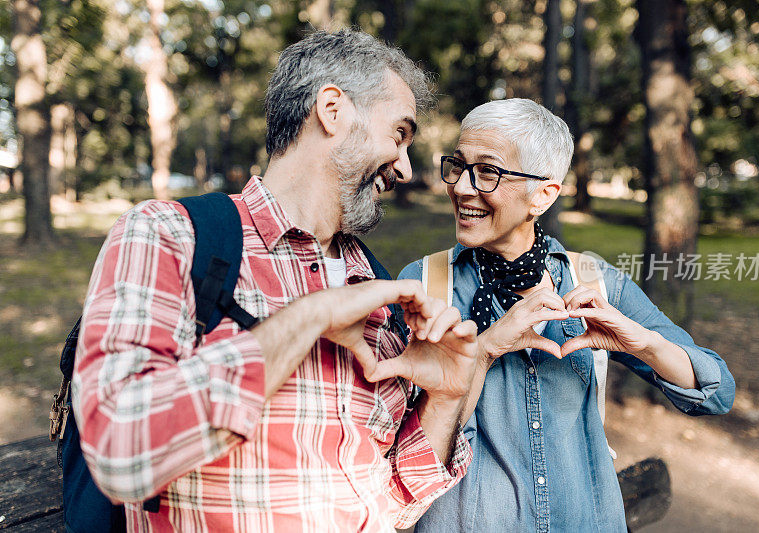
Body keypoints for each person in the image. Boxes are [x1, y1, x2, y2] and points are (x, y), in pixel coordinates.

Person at [73, 29, 480, 532]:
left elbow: (392, 506)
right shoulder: (170, 236)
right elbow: (120, 451)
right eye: (399, 134)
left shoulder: (379, 287)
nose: (404, 166)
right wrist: (312, 315)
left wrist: (443, 398)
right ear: (332, 110)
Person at [398, 98, 735, 532]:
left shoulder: (594, 281)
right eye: (458, 166)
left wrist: (644, 344)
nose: (462, 188)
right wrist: (483, 351)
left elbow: (716, 389)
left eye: (487, 172)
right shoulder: (423, 287)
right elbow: (408, 450)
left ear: (543, 194)